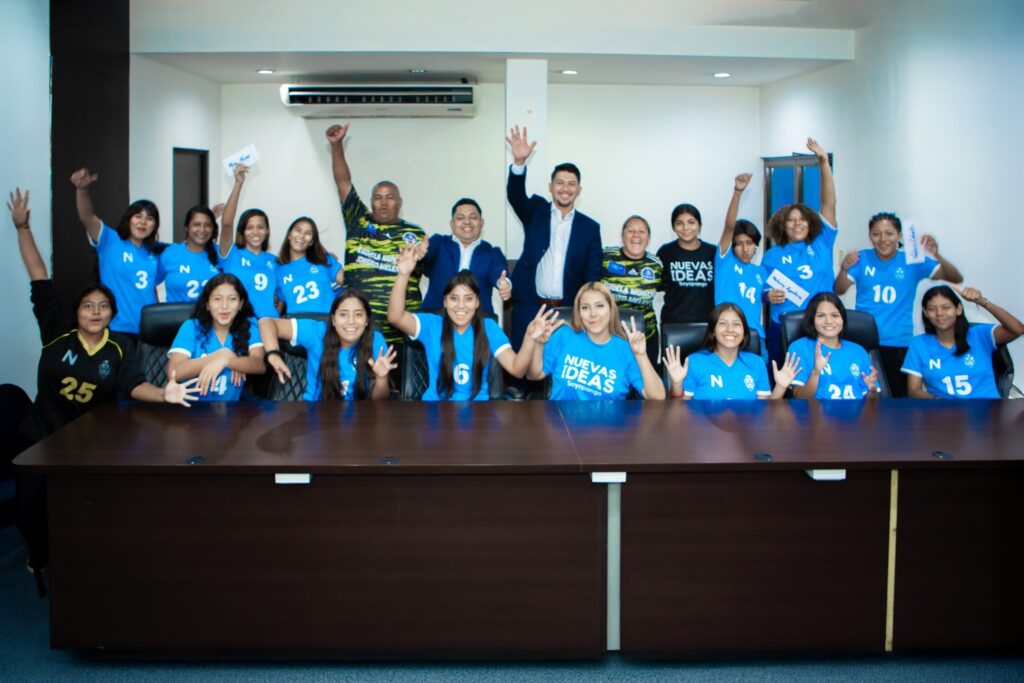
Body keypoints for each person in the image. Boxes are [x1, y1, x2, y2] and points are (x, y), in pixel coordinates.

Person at [8, 188, 198, 576]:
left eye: (103, 307)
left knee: (90, 510)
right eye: (88, 306)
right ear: (77, 311)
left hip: (88, 445)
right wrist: (23, 226)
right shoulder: (57, 331)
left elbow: (134, 386)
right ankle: (39, 553)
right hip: (43, 438)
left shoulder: (119, 350)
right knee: (28, 508)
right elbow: (38, 275)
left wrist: (165, 393)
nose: (96, 312)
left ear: (113, 313)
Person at [834, 212, 963, 397]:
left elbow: (955, 277)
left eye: (889, 233)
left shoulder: (913, 260)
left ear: (899, 236)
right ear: (870, 237)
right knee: (863, 397)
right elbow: (839, 289)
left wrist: (937, 255)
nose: (883, 239)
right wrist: (844, 268)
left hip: (899, 343)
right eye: (876, 233)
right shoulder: (861, 258)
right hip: (863, 343)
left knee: (897, 400)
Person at [388, 246, 532, 400]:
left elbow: (517, 369)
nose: (461, 305)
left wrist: (530, 337)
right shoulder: (431, 325)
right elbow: (395, 317)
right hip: (436, 412)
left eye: (468, 299)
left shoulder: (489, 327)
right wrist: (403, 274)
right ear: (445, 301)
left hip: (479, 413)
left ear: (477, 302)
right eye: (454, 298)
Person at [327, 123, 426, 343]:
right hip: (358, 333)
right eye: (378, 197)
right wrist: (336, 146)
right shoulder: (357, 221)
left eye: (390, 197)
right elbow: (343, 182)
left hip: (401, 335)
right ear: (371, 202)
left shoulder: (415, 233)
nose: (383, 202)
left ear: (400, 202)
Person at [505, 125, 602, 351]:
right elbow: (515, 196)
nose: (565, 188)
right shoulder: (535, 211)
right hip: (530, 306)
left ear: (579, 191)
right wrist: (519, 163)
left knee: (561, 368)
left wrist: (586, 311)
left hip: (568, 311)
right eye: (560, 182)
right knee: (524, 368)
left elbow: (592, 275)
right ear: (551, 187)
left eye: (571, 184)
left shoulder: (590, 228)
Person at [761, 138, 837, 365]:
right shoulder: (771, 256)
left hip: (821, 325)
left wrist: (824, 163)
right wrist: (768, 295)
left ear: (811, 222)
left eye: (802, 219)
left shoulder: (822, 242)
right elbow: (762, 291)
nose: (797, 224)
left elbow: (829, 204)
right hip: (782, 326)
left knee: (820, 377)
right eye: (791, 220)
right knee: (783, 383)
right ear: (782, 225)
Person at [526, 282, 666, 400]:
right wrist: (539, 344)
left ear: (611, 310)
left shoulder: (625, 349)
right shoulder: (563, 336)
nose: (593, 314)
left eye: (600, 306)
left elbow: (658, 397)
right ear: (578, 313)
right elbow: (534, 375)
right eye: (585, 307)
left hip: (608, 429)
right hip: (561, 426)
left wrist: (641, 356)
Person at [71, 167, 164, 340]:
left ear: (154, 226)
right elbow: (87, 217)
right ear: (129, 219)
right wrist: (82, 189)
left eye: (149, 218)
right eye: (138, 216)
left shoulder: (156, 253)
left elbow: (152, 290)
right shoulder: (110, 241)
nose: (143, 222)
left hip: (149, 329)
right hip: (116, 328)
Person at [260, 290, 395, 401]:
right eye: (343, 315)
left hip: (360, 418)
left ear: (366, 321)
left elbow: (379, 401)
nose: (351, 321)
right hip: (314, 414)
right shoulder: (316, 332)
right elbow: (266, 322)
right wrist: (273, 354)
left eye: (358, 315)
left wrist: (381, 377)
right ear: (333, 319)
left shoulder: (376, 340)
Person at [902, 285, 1024, 399]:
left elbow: (1017, 329)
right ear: (925, 313)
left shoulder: (980, 335)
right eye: (932, 309)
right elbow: (913, 390)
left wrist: (983, 302)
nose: (939, 313)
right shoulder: (918, 344)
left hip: (988, 414)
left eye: (946, 307)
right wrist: (937, 401)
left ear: (958, 309)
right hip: (946, 416)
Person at [714, 173, 785, 362]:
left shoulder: (760, 271)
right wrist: (738, 192)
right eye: (739, 243)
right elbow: (729, 227)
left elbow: (757, 295)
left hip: (755, 337)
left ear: (756, 246)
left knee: (761, 387)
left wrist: (767, 296)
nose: (745, 249)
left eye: (750, 243)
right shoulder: (725, 263)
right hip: (726, 335)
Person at [663, 303, 800, 400]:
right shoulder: (694, 362)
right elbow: (679, 411)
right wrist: (677, 384)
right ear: (713, 331)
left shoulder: (756, 363)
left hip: (746, 435)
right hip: (704, 434)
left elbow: (765, 412)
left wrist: (781, 387)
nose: (730, 330)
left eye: (736, 324)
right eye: (723, 323)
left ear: (744, 333)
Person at [167, 273, 266, 400]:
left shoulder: (250, 325)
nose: (224, 306)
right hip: (192, 410)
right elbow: (174, 372)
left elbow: (259, 365)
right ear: (207, 304)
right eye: (217, 299)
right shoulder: (191, 327)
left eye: (232, 299)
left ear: (241, 304)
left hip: (233, 410)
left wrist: (228, 361)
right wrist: (220, 355)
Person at [418, 198, 511, 316]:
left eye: (473, 217)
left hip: (477, 322)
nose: (467, 222)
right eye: (460, 217)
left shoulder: (492, 252)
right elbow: (425, 255)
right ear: (452, 224)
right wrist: (419, 254)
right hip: (435, 318)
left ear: (481, 223)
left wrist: (504, 284)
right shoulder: (439, 243)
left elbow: (499, 271)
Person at [600, 215, 663, 369]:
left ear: (648, 239)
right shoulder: (605, 257)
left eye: (642, 231)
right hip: (609, 337)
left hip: (646, 337)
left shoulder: (657, 265)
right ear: (622, 236)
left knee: (646, 386)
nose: (636, 235)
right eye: (631, 230)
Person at [788, 292, 879, 400]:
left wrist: (872, 390)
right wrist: (816, 372)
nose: (829, 321)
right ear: (812, 320)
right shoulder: (799, 348)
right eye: (821, 315)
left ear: (843, 319)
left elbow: (872, 403)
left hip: (856, 414)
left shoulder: (858, 351)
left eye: (835, 315)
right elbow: (799, 397)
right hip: (817, 415)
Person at [219, 164, 279, 319]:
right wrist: (238, 183)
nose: (256, 232)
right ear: (242, 232)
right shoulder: (231, 254)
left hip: (269, 326)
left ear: (267, 231)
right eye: (250, 228)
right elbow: (226, 223)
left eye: (260, 227)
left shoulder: (275, 261)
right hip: (239, 326)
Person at [657, 201, 717, 327]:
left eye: (691, 222)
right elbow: (659, 285)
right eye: (679, 223)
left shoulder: (712, 252)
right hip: (673, 323)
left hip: (707, 324)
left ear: (699, 225)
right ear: (673, 227)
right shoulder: (665, 252)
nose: (685, 228)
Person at [274, 216, 344, 315]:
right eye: (298, 230)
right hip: (296, 324)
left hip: (326, 322)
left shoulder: (324, 260)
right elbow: (277, 306)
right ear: (289, 235)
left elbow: (351, 283)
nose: (301, 236)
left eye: (308, 233)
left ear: (311, 241)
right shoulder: (278, 269)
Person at [159, 205, 223, 303]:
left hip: (211, 317)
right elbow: (150, 284)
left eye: (207, 225)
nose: (202, 229)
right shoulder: (170, 253)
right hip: (176, 317)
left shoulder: (221, 253)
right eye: (196, 224)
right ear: (186, 228)